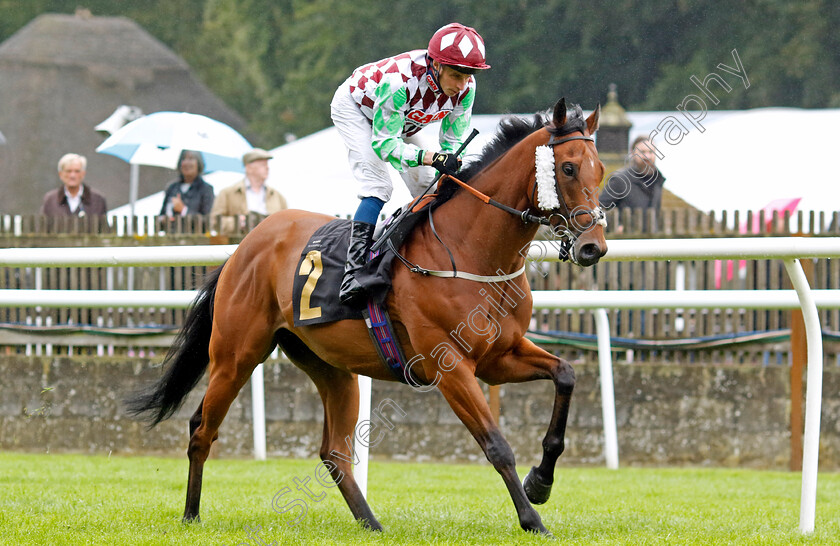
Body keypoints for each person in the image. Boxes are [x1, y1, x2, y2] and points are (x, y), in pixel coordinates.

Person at [331, 22, 490, 306]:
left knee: (426, 186)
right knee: (379, 186)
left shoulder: (467, 88)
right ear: (435, 66)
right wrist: (430, 157)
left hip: (401, 122)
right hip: (357, 109)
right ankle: (352, 272)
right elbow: (384, 145)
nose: (461, 86)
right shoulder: (398, 83)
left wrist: (449, 162)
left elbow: (451, 142)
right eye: (455, 75)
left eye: (468, 76)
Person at [210, 148, 287, 234]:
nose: (267, 168)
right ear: (249, 168)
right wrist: (236, 223)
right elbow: (214, 221)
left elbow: (288, 223)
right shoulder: (227, 193)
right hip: (240, 244)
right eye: (262, 164)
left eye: (267, 164)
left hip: (272, 245)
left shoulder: (277, 196)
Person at [598, 136, 666, 211]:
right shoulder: (619, 180)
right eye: (642, 152)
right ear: (633, 153)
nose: (647, 156)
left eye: (651, 152)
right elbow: (600, 208)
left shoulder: (658, 179)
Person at [39, 153, 107, 216]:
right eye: (68, 171)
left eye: (77, 171)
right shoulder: (50, 200)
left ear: (83, 174)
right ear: (60, 174)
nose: (72, 175)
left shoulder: (97, 200)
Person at [160, 150, 215, 218]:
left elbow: (206, 219)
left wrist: (183, 210)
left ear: (198, 163)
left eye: (191, 159)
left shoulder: (206, 189)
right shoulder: (172, 188)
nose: (186, 163)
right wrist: (164, 218)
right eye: (183, 159)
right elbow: (161, 215)